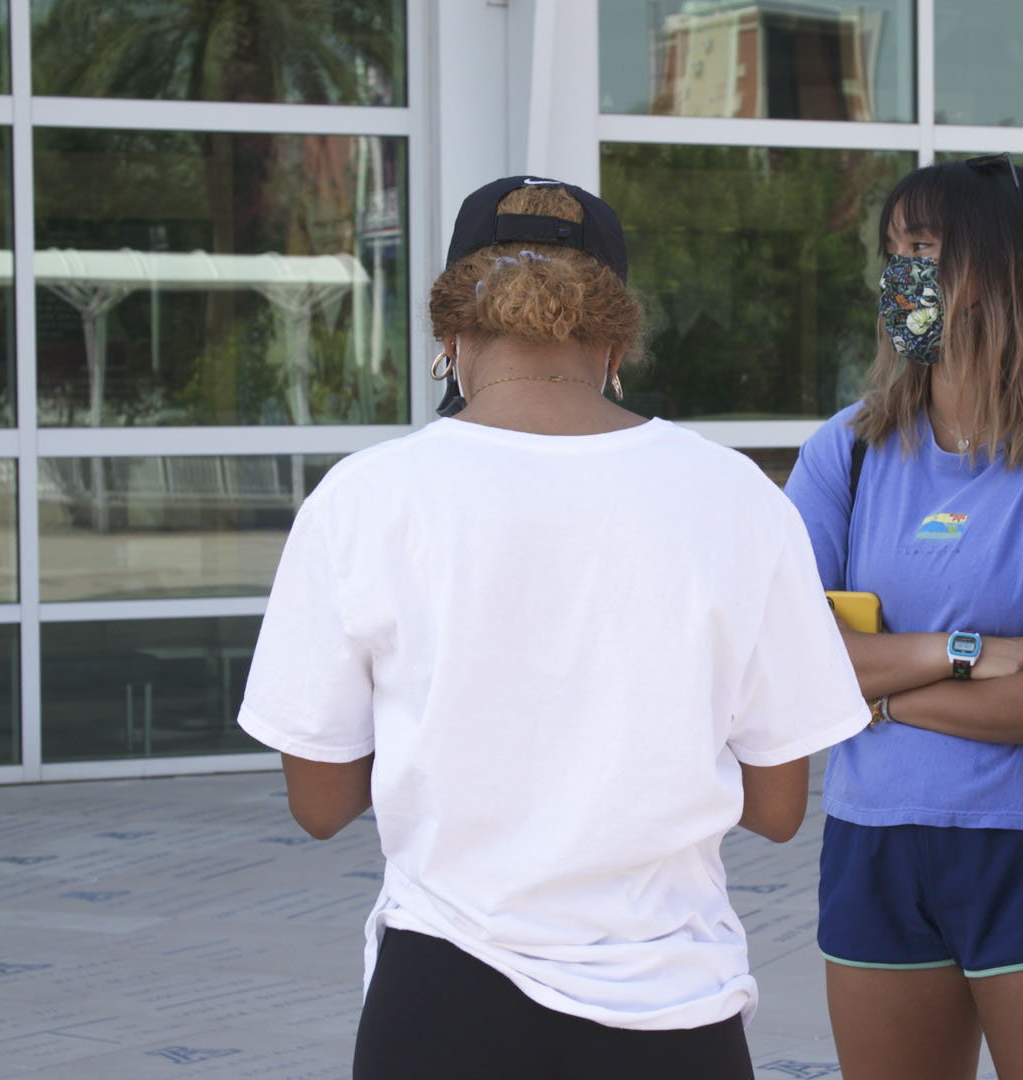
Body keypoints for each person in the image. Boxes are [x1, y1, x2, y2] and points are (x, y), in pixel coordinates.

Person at [236, 175, 871, 1079]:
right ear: (617, 340)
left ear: (448, 338)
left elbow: (321, 803)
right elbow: (776, 809)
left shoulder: (363, 498)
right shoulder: (734, 495)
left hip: (442, 1001)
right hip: (673, 1007)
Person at [783, 155, 1023, 1080]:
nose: (898, 278)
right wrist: (969, 653)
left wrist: (877, 692)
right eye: (891, 252)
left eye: (921, 249)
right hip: (875, 844)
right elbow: (791, 662)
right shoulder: (847, 450)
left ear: (1008, 271)